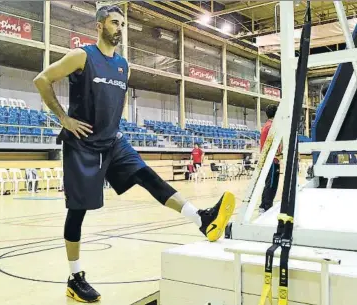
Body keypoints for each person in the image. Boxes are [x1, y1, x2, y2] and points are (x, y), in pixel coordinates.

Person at [33, 5, 236, 303]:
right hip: (83, 144)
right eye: (115, 23)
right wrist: (64, 119)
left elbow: (119, 100)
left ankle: (202, 220)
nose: (120, 28)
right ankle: (75, 278)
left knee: (146, 175)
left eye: (122, 24)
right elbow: (42, 79)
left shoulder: (123, 66)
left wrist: (114, 125)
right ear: (99, 26)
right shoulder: (82, 56)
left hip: (113, 141)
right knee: (77, 211)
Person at [259, 104, 281, 214]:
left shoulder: (267, 125)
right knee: (272, 184)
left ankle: (264, 205)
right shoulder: (271, 127)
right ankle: (266, 206)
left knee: (269, 183)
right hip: (271, 160)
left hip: (269, 159)